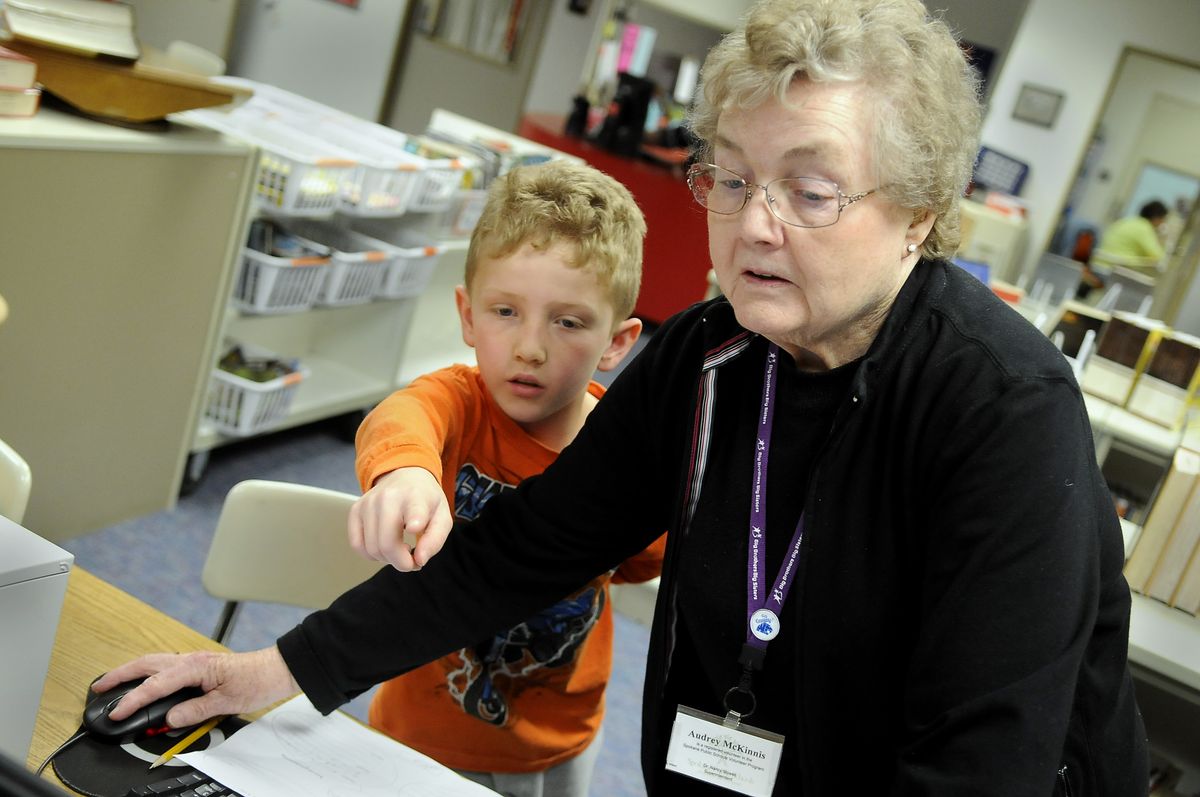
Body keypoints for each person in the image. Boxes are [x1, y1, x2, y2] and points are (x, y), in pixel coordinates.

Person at [98, 1, 1149, 795]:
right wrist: (269, 671)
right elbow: (521, 550)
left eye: (812, 189)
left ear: (919, 213)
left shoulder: (1005, 412)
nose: (754, 225)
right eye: (731, 179)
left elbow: (986, 762)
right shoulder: (707, 355)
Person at [348, 159, 663, 796]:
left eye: (568, 321)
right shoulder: (459, 404)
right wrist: (407, 473)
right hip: (424, 731)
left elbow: (639, 563)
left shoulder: (621, 450)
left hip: (562, 738)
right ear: (467, 316)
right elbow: (403, 417)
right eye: (505, 312)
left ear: (617, 341)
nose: (530, 348)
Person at [1093, 198, 1170, 274]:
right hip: (1112, 271)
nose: (1162, 223)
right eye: (1163, 220)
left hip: (1098, 264)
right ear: (1156, 218)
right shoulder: (1144, 227)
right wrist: (1164, 238)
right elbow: (1158, 257)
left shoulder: (1128, 221)